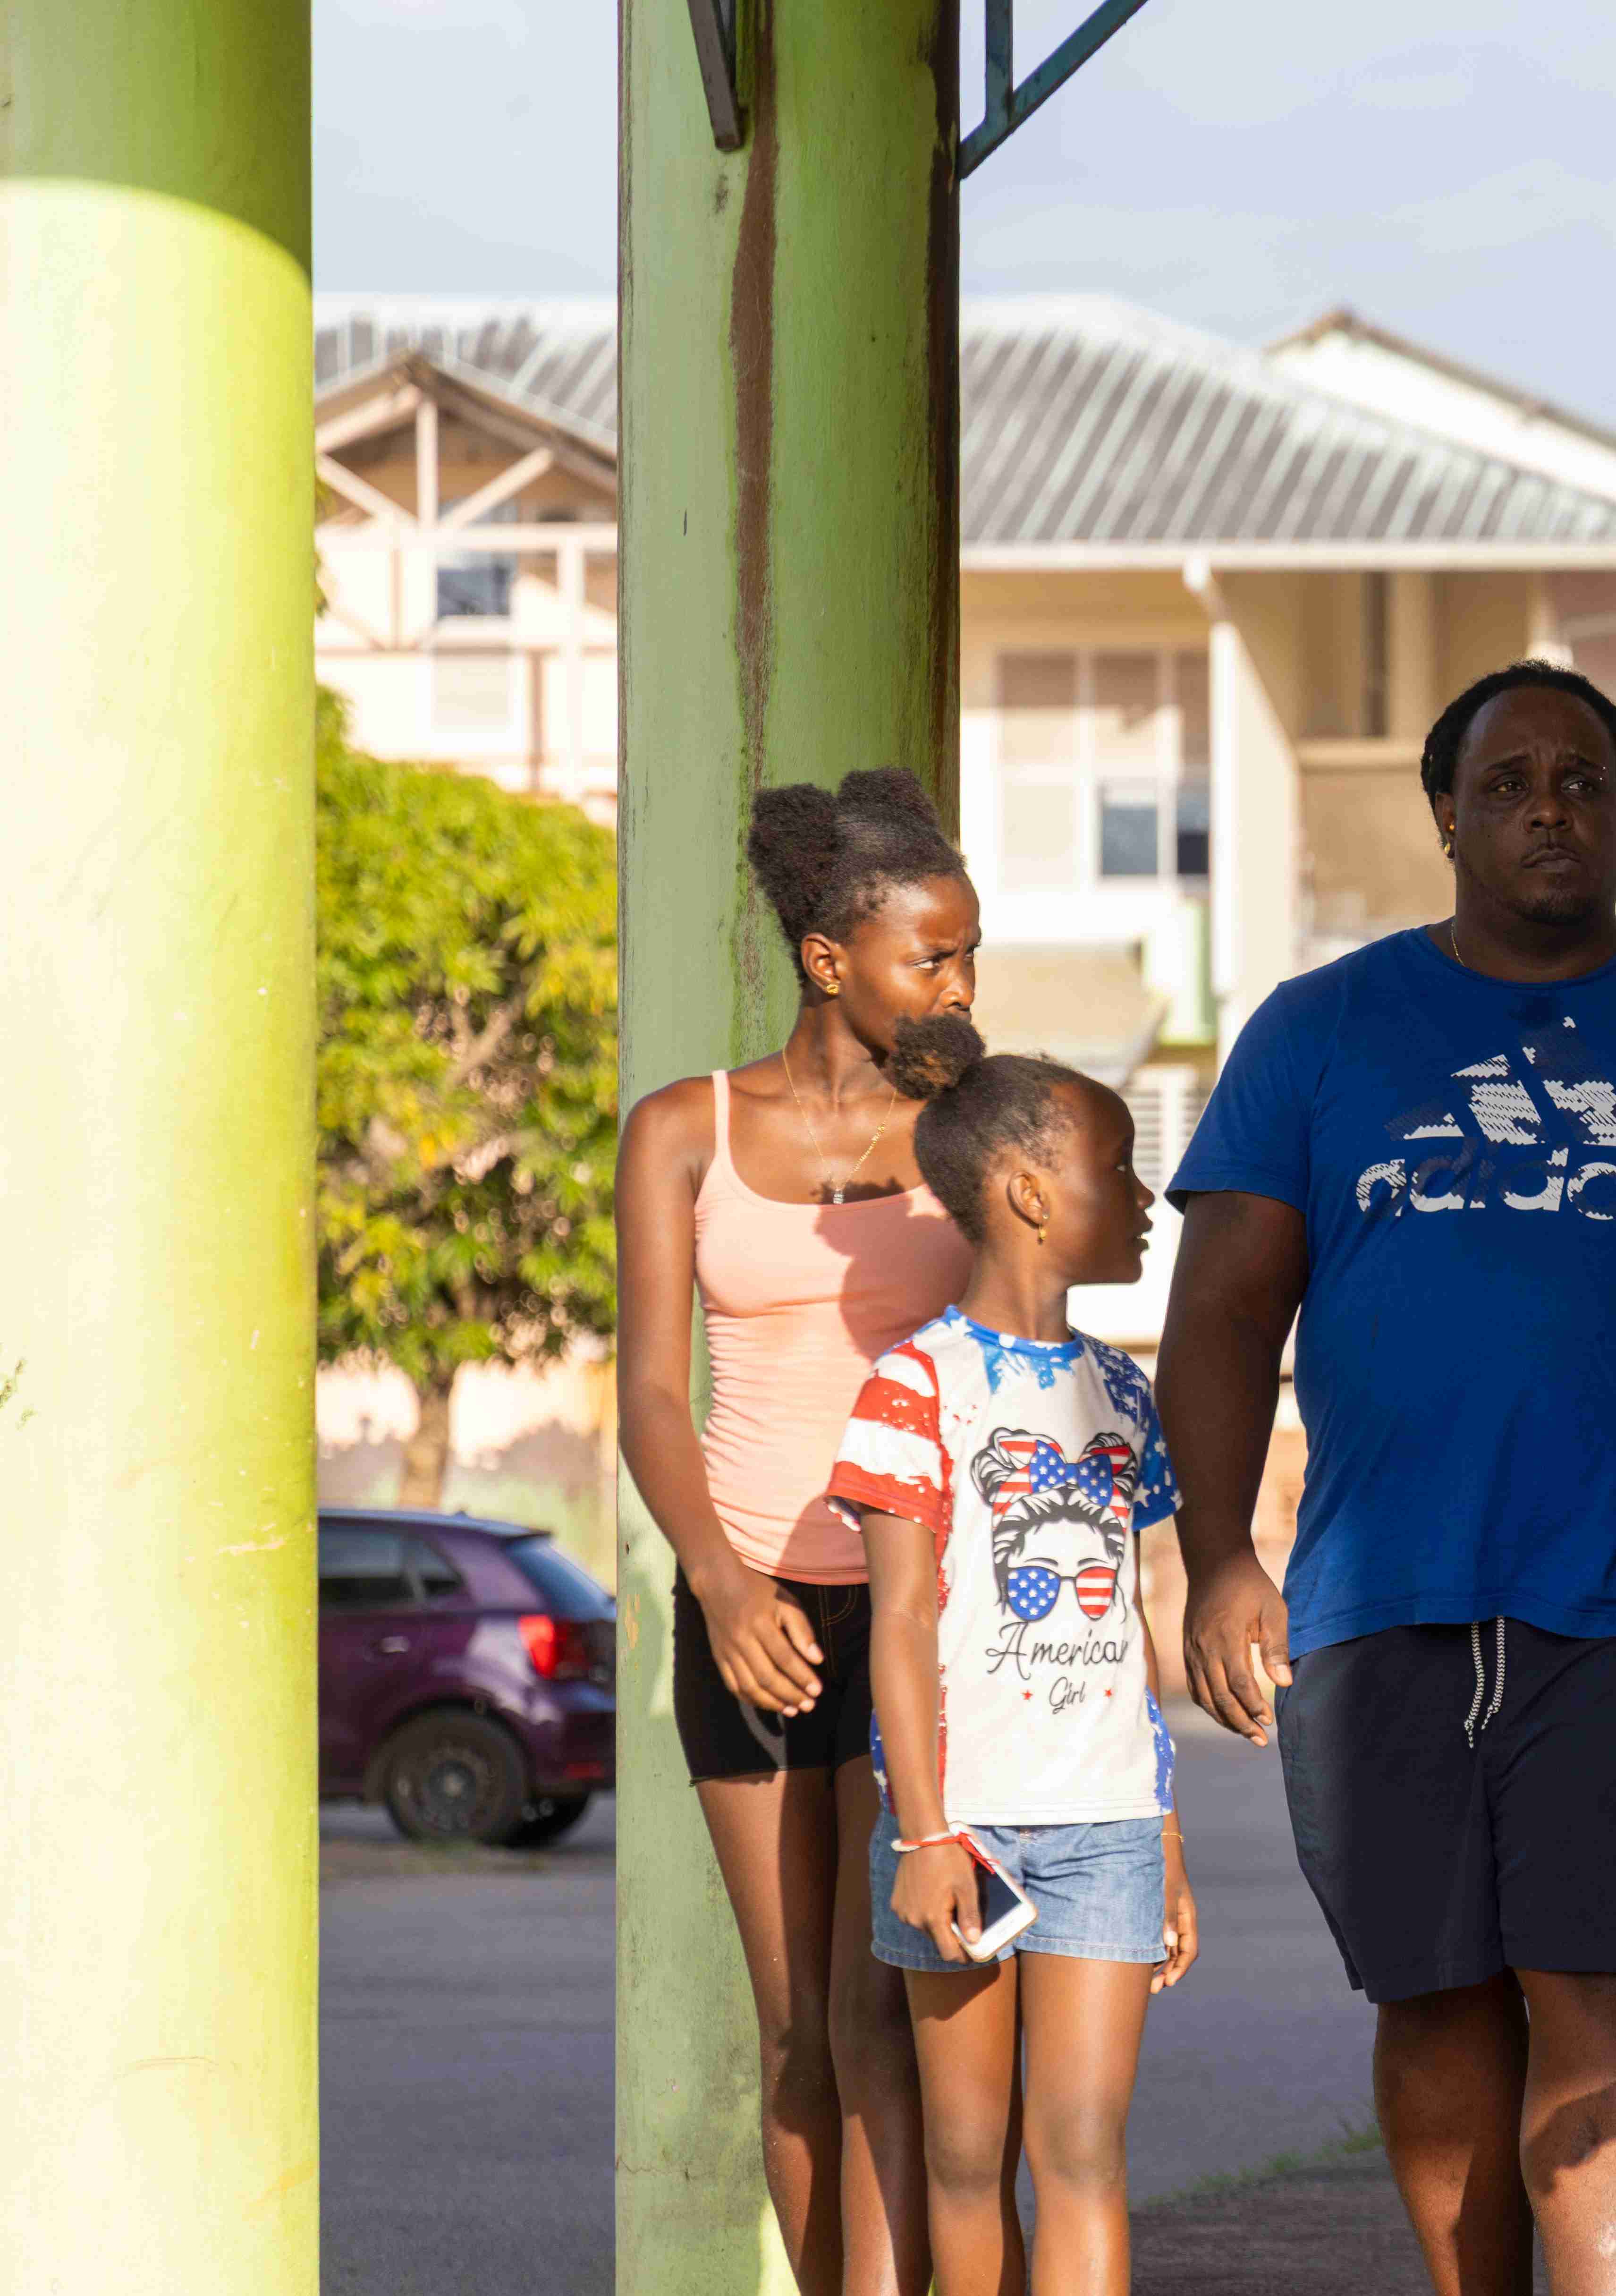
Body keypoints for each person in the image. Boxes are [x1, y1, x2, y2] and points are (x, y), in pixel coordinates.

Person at [1155, 661, 1616, 2296]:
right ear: (1446, 817)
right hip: (1381, 1590)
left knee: (1603, 1979)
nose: (1545, 806)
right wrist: (1220, 1555)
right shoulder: (1321, 1028)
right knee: (1429, 1997)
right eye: (1503, 783)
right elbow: (1217, 1314)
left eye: (1578, 778)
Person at [615, 771, 980, 2294]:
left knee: (880, 2006)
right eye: (933, 960)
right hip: (752, 1598)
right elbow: (646, 1388)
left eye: (969, 956)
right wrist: (715, 1578)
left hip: (925, 1608)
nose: (960, 988)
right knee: (795, 2030)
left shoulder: (972, 1128)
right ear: (832, 961)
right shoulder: (684, 1131)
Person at [829, 1014, 1201, 2296]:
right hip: (965, 1831)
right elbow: (896, 1629)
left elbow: (1137, 1631)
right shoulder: (914, 1386)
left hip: (1103, 1823)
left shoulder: (1122, 1391)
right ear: (1030, 1191)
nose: (1147, 1194)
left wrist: (1158, 1825)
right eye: (1120, 1163)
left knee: (1085, 2152)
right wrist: (926, 1834)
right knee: (967, 2158)